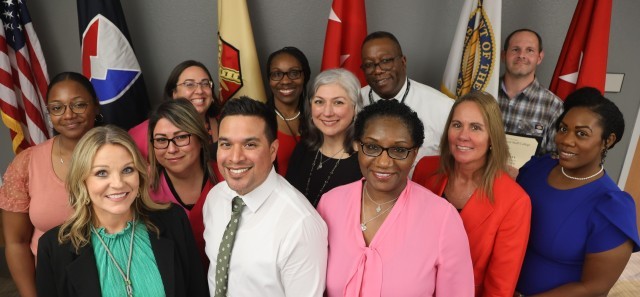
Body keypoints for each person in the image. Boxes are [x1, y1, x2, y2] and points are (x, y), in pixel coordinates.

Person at [317, 99, 474, 296]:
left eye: (399, 150)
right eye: (372, 147)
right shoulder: (330, 205)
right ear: (357, 145)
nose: (384, 162)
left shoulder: (442, 218)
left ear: (415, 152)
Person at [35, 125, 208, 297]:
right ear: (82, 182)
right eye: (102, 173)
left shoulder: (173, 220)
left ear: (139, 176)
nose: (118, 183)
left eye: (127, 170)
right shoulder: (53, 248)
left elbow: (198, 291)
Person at [516, 87, 640, 296]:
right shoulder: (535, 169)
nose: (566, 140)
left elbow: (594, 286)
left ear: (607, 141)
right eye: (563, 129)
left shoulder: (611, 207)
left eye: (582, 134)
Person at [203, 97, 327, 296]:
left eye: (250, 145)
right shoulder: (215, 198)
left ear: (272, 150)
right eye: (226, 144)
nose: (235, 158)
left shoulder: (300, 225)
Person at [413, 91, 531, 296]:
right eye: (457, 124)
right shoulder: (425, 169)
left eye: (475, 127)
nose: (463, 135)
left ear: (492, 137)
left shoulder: (515, 201)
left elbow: (499, 288)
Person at [0, 72, 100, 297]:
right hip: (53, 282)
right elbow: (16, 242)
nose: (68, 115)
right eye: (57, 108)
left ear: (96, 106)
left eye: (79, 105)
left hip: (116, 275)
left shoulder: (119, 154)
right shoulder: (27, 162)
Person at [359, 31, 453, 172]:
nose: (377, 70)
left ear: (403, 62)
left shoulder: (443, 107)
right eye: (368, 65)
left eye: (385, 61)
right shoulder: (352, 104)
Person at [147, 98, 221, 267]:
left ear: (201, 139)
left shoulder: (226, 179)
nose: (171, 149)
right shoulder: (145, 192)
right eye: (161, 140)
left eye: (181, 137)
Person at [286, 69, 362, 207]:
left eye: (338, 102)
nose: (327, 112)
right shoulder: (303, 147)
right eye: (319, 102)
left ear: (355, 107)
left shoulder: (365, 161)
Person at [129, 60, 221, 160]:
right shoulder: (143, 133)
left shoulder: (226, 123)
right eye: (189, 84)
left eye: (205, 84)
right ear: (173, 93)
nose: (199, 91)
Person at [499, 29, 563, 156]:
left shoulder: (554, 106)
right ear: (503, 56)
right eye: (515, 49)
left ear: (539, 58)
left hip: (526, 176)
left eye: (530, 50)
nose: (521, 55)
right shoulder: (482, 94)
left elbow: (556, 158)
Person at [265, 46, 311, 176]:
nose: (285, 81)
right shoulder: (259, 120)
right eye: (277, 74)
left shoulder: (319, 116)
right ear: (269, 80)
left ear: (305, 77)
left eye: (294, 73)